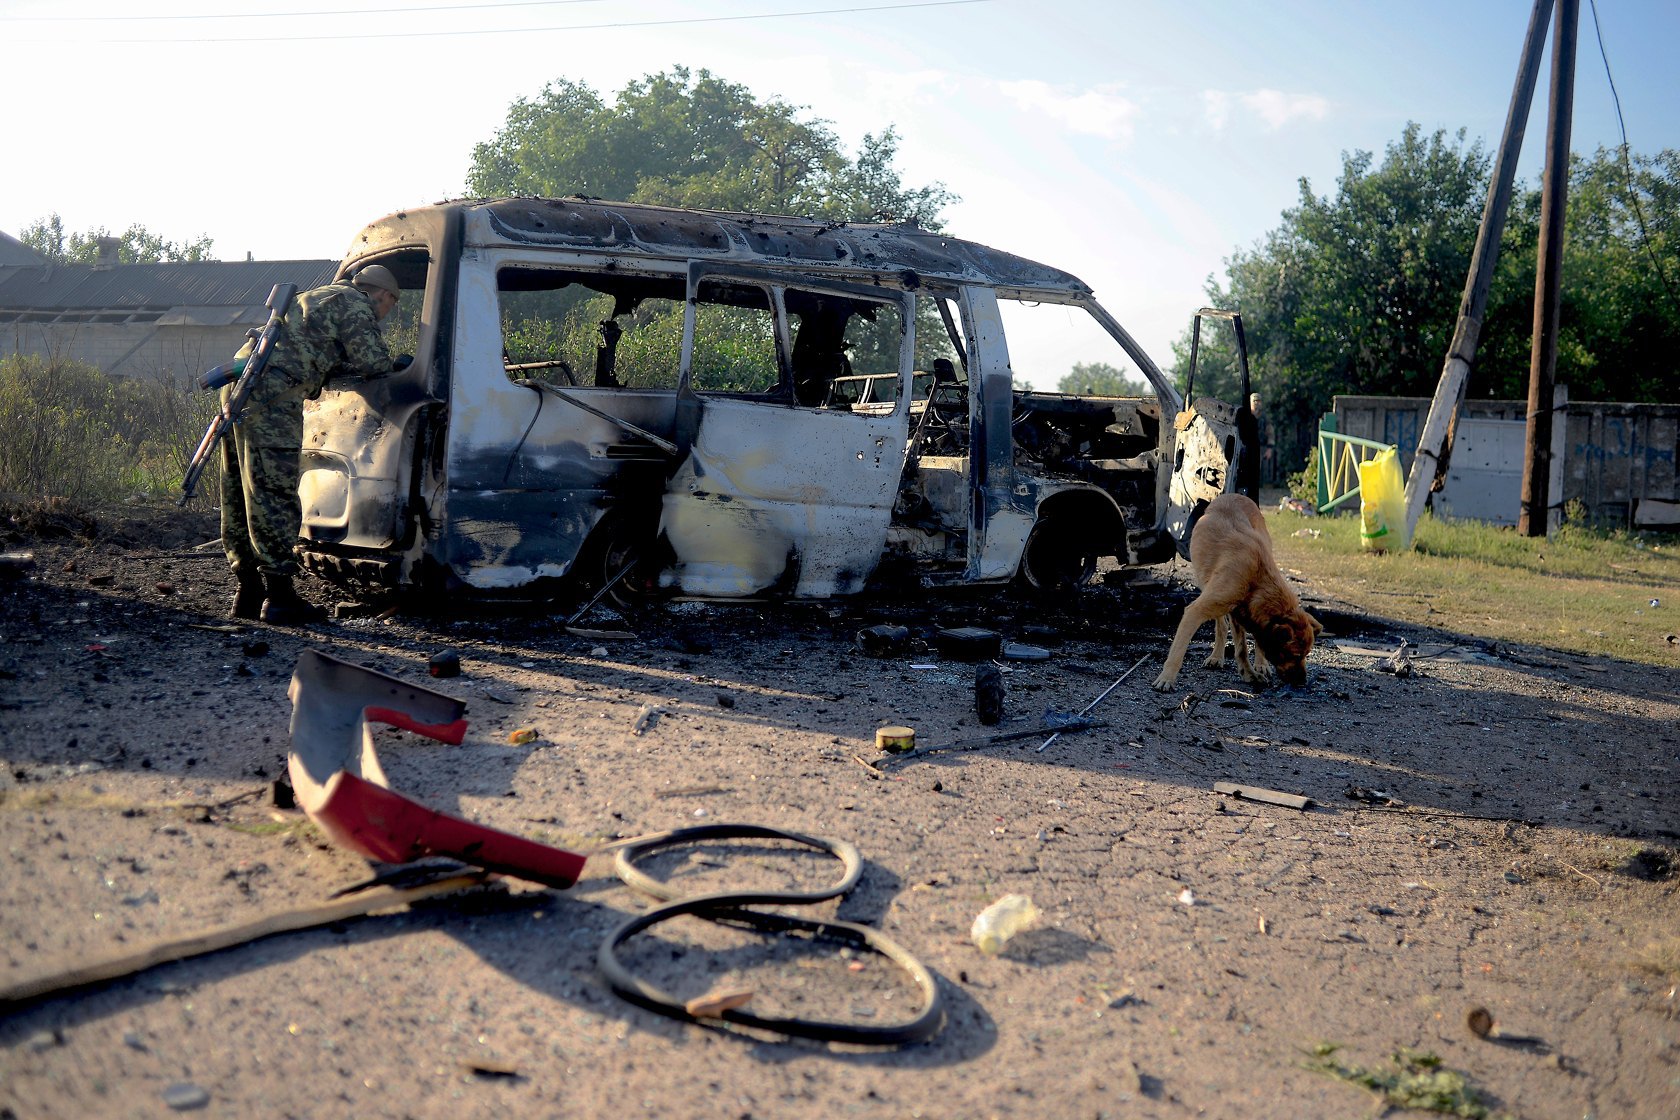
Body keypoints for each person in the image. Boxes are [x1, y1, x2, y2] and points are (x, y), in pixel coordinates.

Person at [220, 264, 403, 624]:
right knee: (273, 490)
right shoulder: (355, 303)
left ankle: (248, 589)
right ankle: (280, 597)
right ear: (382, 295)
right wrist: (398, 362)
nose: (383, 315)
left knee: (240, 490)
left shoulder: (319, 297)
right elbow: (374, 361)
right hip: (271, 392)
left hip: (238, 381)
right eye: (388, 307)